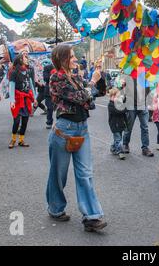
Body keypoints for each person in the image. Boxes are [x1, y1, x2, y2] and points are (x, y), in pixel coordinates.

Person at [46, 44, 107, 232]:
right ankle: (56, 208)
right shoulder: (57, 77)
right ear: (62, 59)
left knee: (85, 174)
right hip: (64, 131)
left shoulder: (76, 77)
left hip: (82, 129)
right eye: (71, 56)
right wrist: (92, 84)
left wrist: (99, 76)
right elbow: (82, 97)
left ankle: (92, 217)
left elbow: (97, 95)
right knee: (59, 174)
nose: (75, 59)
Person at [8, 53, 37, 149]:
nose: (27, 59)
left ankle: (21, 140)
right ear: (20, 60)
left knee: (25, 121)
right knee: (16, 121)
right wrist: (12, 100)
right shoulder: (13, 72)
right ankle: (13, 139)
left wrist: (35, 97)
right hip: (17, 99)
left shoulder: (28, 71)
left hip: (26, 99)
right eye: (25, 57)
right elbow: (11, 87)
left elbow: (31, 85)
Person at [122, 76, 154, 157]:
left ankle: (145, 148)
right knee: (129, 127)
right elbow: (121, 87)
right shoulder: (129, 74)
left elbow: (148, 90)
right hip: (131, 105)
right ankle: (125, 144)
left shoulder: (145, 76)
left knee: (145, 127)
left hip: (143, 105)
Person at [108, 88, 127, 160]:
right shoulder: (111, 105)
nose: (119, 98)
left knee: (118, 138)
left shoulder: (118, 103)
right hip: (114, 125)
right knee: (118, 138)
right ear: (112, 97)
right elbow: (118, 111)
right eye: (117, 97)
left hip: (120, 124)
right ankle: (120, 152)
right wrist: (125, 109)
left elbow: (124, 100)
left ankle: (113, 148)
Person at [43, 59, 55, 129]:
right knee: (50, 107)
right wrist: (54, 74)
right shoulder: (47, 67)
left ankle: (60, 124)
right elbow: (45, 78)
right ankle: (49, 122)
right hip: (49, 90)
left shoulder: (62, 67)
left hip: (60, 90)